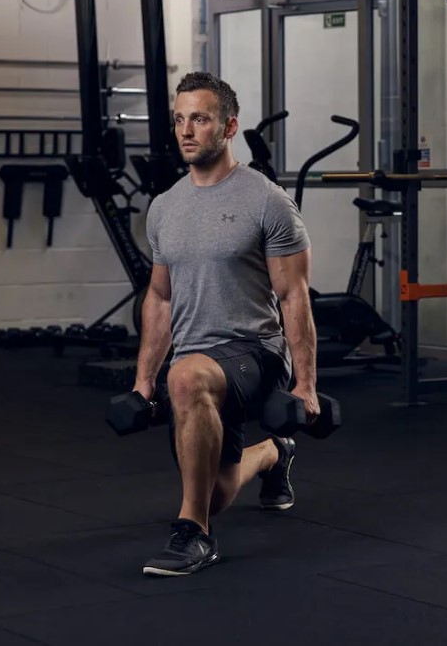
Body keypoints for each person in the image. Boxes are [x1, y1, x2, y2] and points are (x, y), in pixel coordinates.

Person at [134, 71, 319, 577]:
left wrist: (306, 384)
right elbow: (159, 296)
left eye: (200, 118)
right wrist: (143, 380)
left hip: (254, 351)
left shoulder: (266, 200)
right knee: (215, 491)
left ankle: (193, 535)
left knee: (187, 376)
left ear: (229, 126)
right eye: (179, 119)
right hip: (193, 359)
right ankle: (273, 454)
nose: (186, 130)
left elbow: (293, 296)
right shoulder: (165, 208)